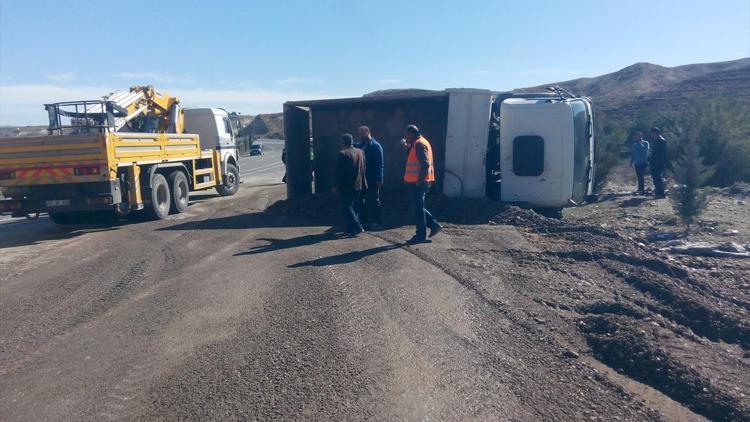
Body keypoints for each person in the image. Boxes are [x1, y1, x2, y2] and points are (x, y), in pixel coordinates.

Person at [403, 125, 441, 243]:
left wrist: (419, 180)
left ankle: (420, 235)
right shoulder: (419, 143)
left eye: (407, 134)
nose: (406, 137)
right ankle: (433, 225)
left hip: (419, 182)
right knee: (418, 207)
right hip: (420, 181)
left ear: (411, 134)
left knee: (418, 209)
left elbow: (424, 164)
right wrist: (408, 148)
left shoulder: (419, 144)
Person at [334, 133, 366, 235]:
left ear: (343, 142)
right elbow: (364, 167)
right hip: (359, 184)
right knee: (355, 207)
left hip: (346, 186)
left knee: (346, 207)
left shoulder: (342, 154)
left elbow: (339, 172)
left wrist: (336, 185)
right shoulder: (360, 152)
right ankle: (351, 229)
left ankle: (357, 225)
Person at [356, 125, 384, 229]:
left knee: (374, 199)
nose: (360, 136)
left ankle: (377, 221)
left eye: (361, 133)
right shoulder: (359, 146)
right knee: (360, 199)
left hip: (372, 178)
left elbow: (380, 163)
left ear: (367, 133)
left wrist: (380, 178)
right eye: (359, 134)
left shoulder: (376, 146)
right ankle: (364, 221)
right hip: (361, 178)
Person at [648, 127, 669, 197]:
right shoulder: (655, 141)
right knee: (655, 177)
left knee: (657, 177)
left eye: (652, 133)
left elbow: (663, 153)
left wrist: (660, 162)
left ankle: (660, 193)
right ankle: (658, 191)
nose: (651, 134)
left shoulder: (662, 141)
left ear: (656, 133)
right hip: (653, 162)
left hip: (658, 163)